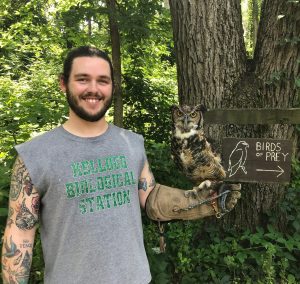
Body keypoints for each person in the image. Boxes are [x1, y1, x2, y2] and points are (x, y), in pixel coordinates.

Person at [1, 46, 241, 284]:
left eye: (103, 80)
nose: (94, 89)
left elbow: (151, 200)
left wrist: (207, 201)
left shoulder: (131, 144)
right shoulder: (35, 156)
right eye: (83, 79)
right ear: (63, 83)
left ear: (112, 86)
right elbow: (20, 233)